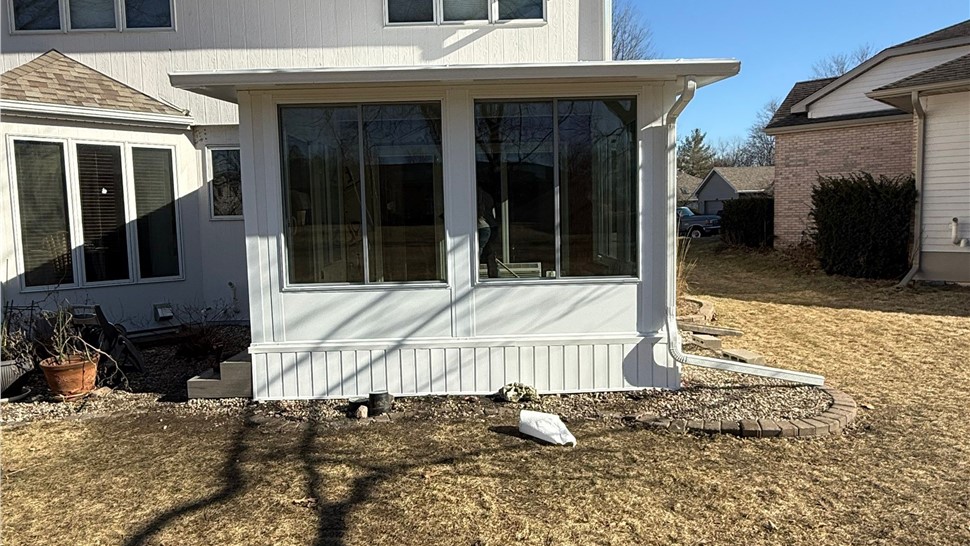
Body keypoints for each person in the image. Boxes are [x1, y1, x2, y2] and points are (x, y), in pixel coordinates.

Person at [477, 186, 498, 278]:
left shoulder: (476, 196)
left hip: (482, 226)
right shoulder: (488, 196)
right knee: (490, 254)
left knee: (478, 252)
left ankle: (474, 275)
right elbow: (493, 213)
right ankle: (494, 275)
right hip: (492, 226)